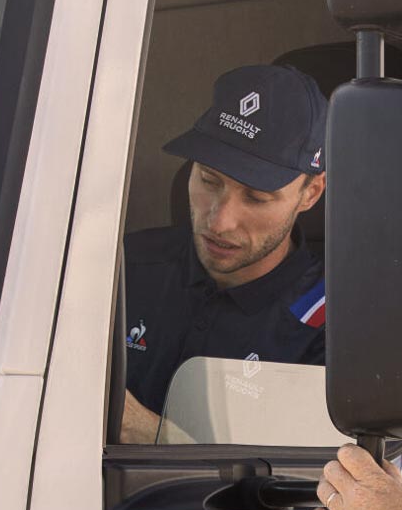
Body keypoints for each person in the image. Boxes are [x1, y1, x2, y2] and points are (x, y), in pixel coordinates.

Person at [118, 64, 329, 444]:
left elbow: (297, 489)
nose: (220, 222)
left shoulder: (329, 327)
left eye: (257, 197)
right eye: (208, 180)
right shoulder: (121, 267)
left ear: (310, 193)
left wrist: (149, 434)